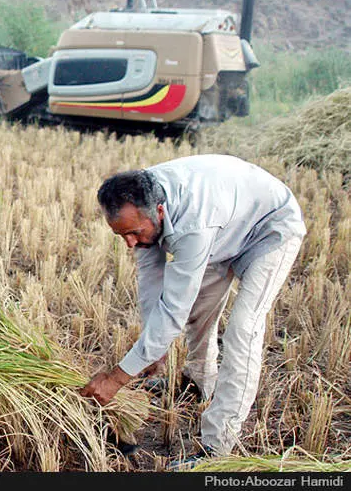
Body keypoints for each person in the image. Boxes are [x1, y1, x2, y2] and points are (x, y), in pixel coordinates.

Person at [79, 154, 306, 468]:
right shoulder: (143, 202)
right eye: (122, 236)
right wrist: (151, 347)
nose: (130, 243)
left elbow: (173, 309)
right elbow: (151, 279)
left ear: (159, 212)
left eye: (134, 233)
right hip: (226, 225)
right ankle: (200, 380)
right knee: (200, 312)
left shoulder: (192, 223)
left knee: (243, 329)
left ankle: (217, 448)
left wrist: (117, 378)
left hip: (268, 227)